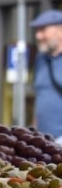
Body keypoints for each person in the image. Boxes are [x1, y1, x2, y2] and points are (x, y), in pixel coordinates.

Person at [31, 9, 62, 144]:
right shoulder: (40, 59)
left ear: (60, 31)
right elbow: (40, 95)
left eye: (43, 30)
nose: (38, 36)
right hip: (43, 140)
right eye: (37, 31)